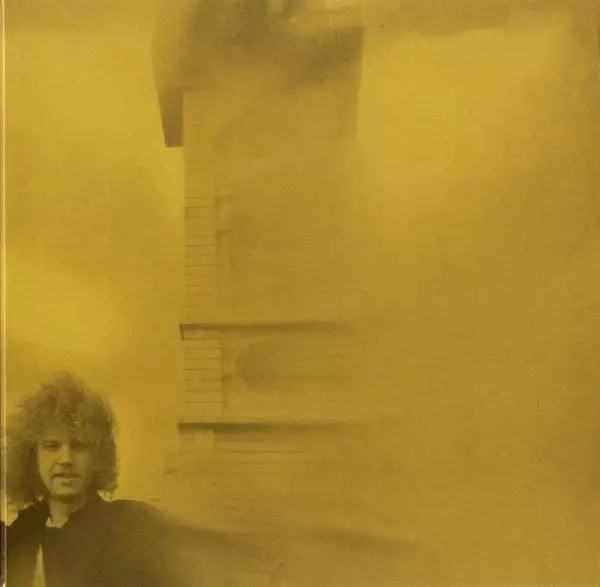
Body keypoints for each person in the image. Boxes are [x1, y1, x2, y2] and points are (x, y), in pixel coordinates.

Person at [3, 373, 193, 587]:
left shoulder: (131, 530)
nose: (66, 459)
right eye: (52, 446)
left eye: (79, 446)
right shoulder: (19, 536)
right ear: (32, 458)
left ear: (97, 457)